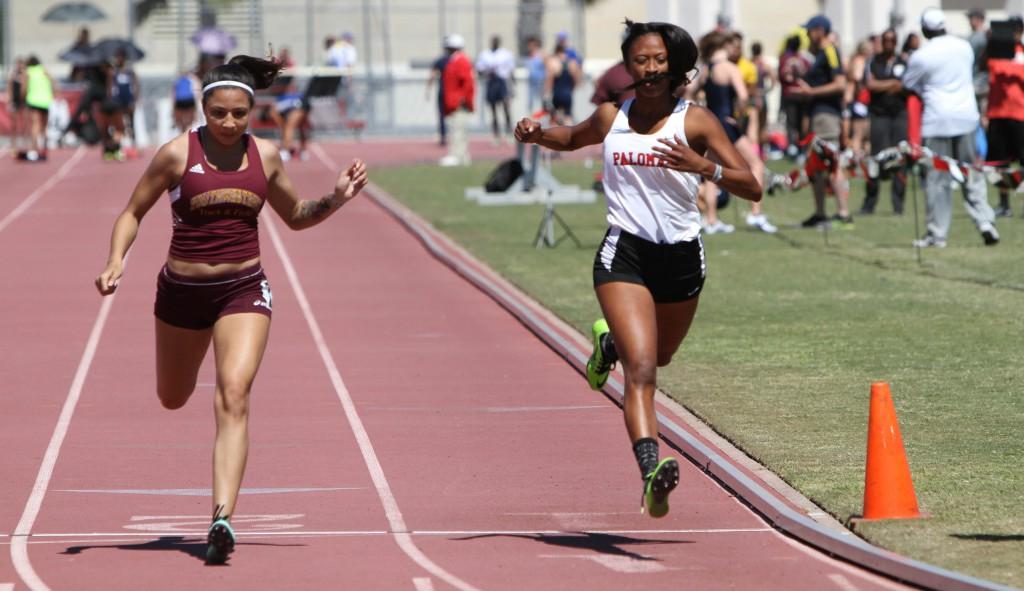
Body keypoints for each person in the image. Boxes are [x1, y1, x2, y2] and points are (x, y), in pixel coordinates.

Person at [93, 54, 368, 564]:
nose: (229, 123)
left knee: (234, 393)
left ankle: (221, 518)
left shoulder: (266, 155)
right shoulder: (177, 154)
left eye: (239, 114)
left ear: (251, 111)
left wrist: (335, 199)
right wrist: (116, 260)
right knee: (172, 397)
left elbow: (297, 216)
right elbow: (132, 212)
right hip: (181, 293)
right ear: (203, 110)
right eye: (219, 113)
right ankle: (219, 509)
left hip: (244, 289)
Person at [515, 19, 762, 518]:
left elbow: (752, 186)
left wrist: (703, 168)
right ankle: (651, 473)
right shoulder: (613, 116)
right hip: (624, 254)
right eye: (639, 61)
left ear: (674, 66)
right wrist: (537, 134)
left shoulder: (696, 122)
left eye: (657, 61)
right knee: (642, 372)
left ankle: (608, 343)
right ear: (627, 67)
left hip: (681, 257)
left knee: (659, 358)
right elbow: (572, 138)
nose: (648, 70)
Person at [902, 8, 998, 247]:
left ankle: (937, 234)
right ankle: (985, 222)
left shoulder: (922, 55)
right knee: (971, 173)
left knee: (938, 179)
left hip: (937, 120)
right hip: (966, 116)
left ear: (925, 29)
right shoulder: (963, 47)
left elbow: (908, 84)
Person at [692, 31, 775, 234]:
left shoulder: (705, 69)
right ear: (723, 46)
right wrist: (738, 118)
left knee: (713, 170)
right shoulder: (730, 68)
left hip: (711, 123)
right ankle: (756, 213)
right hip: (727, 124)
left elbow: (692, 93)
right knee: (755, 163)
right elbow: (744, 96)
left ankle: (710, 219)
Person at [788, 14, 852, 228]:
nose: (806, 34)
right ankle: (820, 213)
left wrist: (812, 92)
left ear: (819, 30)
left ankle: (843, 213)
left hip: (827, 116)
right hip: (819, 115)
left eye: (809, 30)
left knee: (831, 163)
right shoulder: (820, 54)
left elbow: (841, 84)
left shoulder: (830, 51)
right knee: (816, 165)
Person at [860, 29, 908, 216]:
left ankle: (898, 205)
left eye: (892, 40)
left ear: (896, 42)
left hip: (899, 115)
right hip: (879, 115)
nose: (888, 43)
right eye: (885, 40)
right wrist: (893, 84)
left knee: (899, 159)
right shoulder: (874, 61)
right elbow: (870, 84)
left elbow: (907, 84)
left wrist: (886, 85)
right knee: (875, 158)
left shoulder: (903, 62)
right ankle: (869, 203)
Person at [984, 16, 1024, 218]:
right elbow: (988, 67)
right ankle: (1004, 204)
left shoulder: (1021, 53)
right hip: (998, 114)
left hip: (1020, 114)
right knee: (1000, 164)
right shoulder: (996, 53)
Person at [439, 34, 474, 167]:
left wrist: (462, 99)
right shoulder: (454, 61)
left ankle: (457, 155)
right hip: (453, 102)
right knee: (457, 128)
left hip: (458, 103)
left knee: (458, 129)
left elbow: (467, 82)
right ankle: (461, 155)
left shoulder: (461, 61)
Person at [476, 35, 516, 144]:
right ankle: (496, 134)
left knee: (506, 108)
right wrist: (486, 71)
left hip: (502, 82)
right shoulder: (485, 54)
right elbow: (479, 69)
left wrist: (513, 87)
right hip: (491, 81)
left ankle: (509, 132)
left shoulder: (506, 54)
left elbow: (511, 71)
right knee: (493, 110)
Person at [778, 35, 812, 158]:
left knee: (791, 122)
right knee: (801, 121)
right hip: (801, 93)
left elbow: (781, 76)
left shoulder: (784, 58)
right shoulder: (803, 59)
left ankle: (793, 146)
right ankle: (801, 146)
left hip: (790, 94)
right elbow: (809, 72)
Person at [22, 56, 54, 162]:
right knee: (44, 126)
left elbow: (24, 88)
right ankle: (45, 149)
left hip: (34, 100)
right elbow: (53, 81)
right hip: (45, 100)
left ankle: (34, 149)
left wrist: (22, 98)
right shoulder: (44, 70)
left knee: (35, 125)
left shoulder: (28, 72)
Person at [844, 40, 872, 155]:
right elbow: (857, 76)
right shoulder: (860, 60)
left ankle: (861, 158)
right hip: (859, 100)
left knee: (860, 134)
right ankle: (856, 158)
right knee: (860, 134)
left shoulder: (853, 59)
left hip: (855, 100)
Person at [545, 42, 581, 124]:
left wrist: (547, 92)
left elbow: (549, 79)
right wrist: (571, 89)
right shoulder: (572, 63)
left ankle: (555, 135)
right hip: (567, 93)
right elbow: (576, 79)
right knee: (567, 117)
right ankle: (568, 135)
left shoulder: (553, 62)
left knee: (554, 119)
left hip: (556, 93)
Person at [425, 44, 450, 145]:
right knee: (452, 116)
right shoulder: (456, 60)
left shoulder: (441, 60)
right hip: (451, 91)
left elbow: (432, 75)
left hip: (444, 91)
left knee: (442, 115)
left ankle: (444, 136)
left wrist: (428, 89)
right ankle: (450, 135)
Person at [6, 57, 28, 158]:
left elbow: (26, 88)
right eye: (18, 64)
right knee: (13, 125)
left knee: (25, 124)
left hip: (24, 102)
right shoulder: (13, 75)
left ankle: (25, 144)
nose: (19, 66)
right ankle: (13, 146)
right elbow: (10, 87)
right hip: (15, 101)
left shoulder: (26, 75)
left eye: (21, 64)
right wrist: (9, 101)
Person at [172, 68, 202, 132]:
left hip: (180, 101)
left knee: (181, 120)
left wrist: (173, 110)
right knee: (190, 119)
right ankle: (188, 132)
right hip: (190, 100)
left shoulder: (177, 80)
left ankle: (183, 131)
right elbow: (197, 93)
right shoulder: (193, 79)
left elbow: (173, 94)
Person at [524, 36, 547, 113]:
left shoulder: (541, 55)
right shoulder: (528, 56)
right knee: (531, 102)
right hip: (532, 83)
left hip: (541, 82)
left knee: (542, 101)